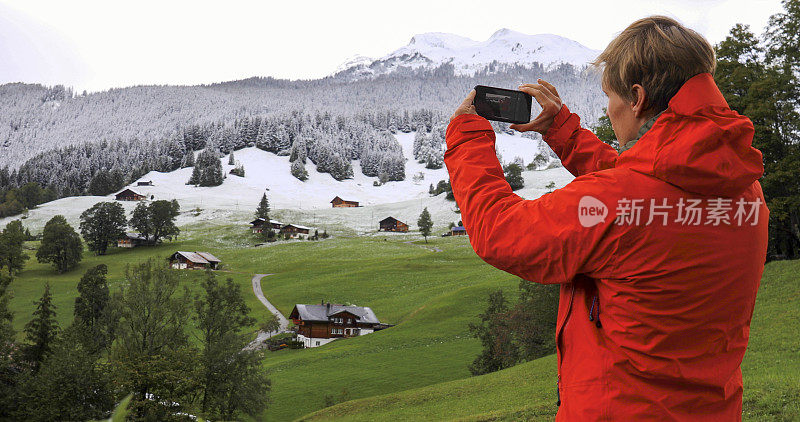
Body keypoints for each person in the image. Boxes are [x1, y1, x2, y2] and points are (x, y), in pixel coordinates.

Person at [444, 16, 768, 420]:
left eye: (608, 96)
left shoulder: (618, 201)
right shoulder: (743, 191)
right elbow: (646, 187)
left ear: (636, 97)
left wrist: (466, 138)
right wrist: (563, 131)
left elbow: (502, 233)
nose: (610, 109)